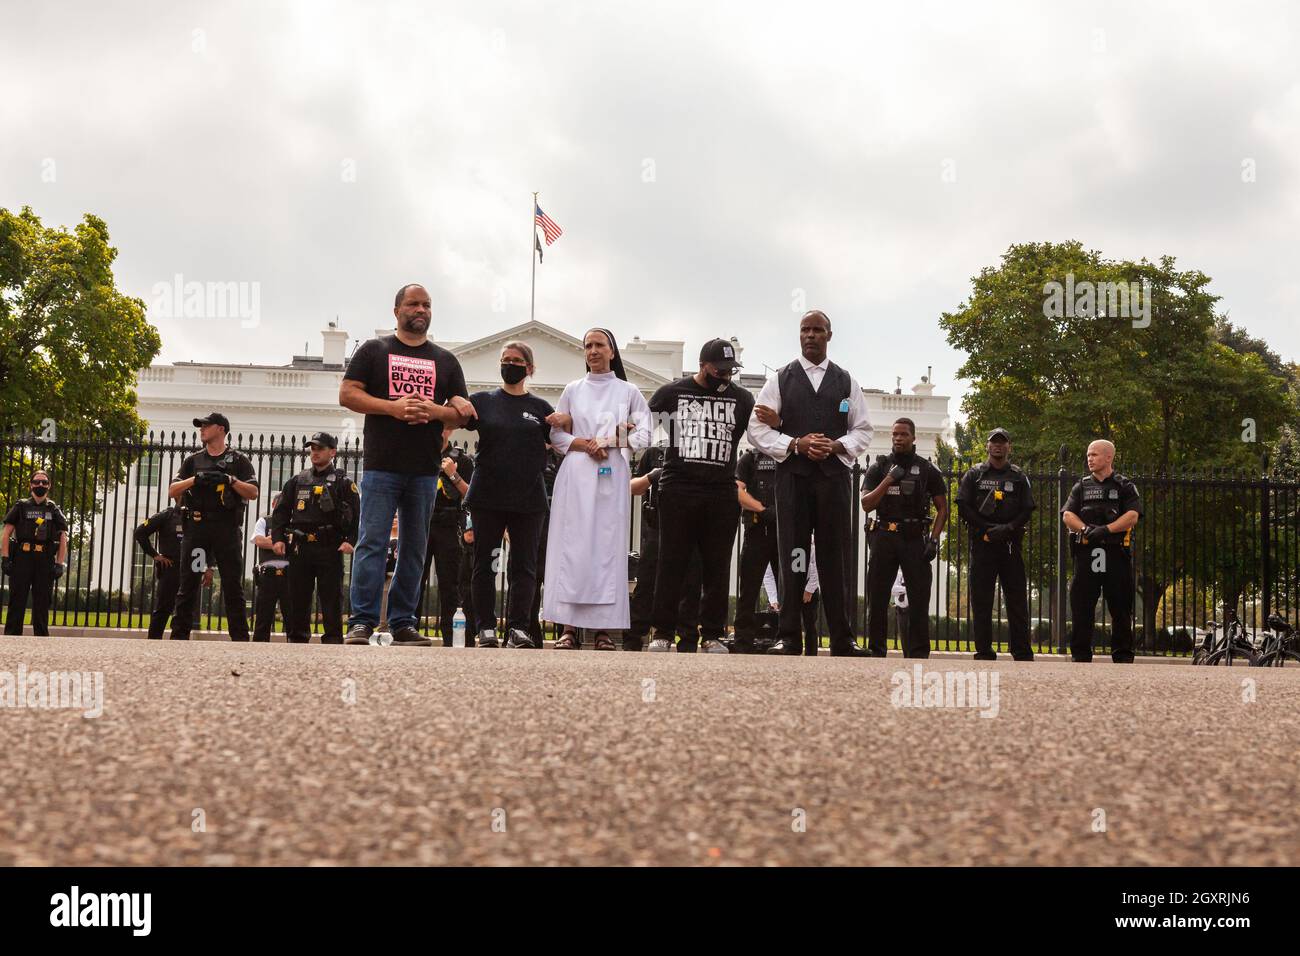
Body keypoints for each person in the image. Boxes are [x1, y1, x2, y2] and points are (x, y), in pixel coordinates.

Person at [339, 283, 474, 646]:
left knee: (415, 547)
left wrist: (435, 411)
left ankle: (402, 622)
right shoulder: (374, 350)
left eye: (427, 304)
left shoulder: (446, 361)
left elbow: (463, 413)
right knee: (372, 542)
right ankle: (362, 621)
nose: (421, 310)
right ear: (396, 310)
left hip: (424, 468)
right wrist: (393, 407)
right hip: (382, 464)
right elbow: (347, 393)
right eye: (414, 304)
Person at [747, 310, 874, 657]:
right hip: (794, 480)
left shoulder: (846, 381)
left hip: (833, 480)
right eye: (805, 330)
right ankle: (789, 636)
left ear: (829, 335)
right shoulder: (780, 380)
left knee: (836, 558)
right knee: (794, 555)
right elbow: (755, 429)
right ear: (799, 335)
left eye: (818, 330)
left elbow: (863, 430)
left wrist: (835, 446)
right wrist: (794, 443)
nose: (811, 335)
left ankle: (842, 638)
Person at [542, 328, 651, 649]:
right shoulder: (573, 390)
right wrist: (585, 444)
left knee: (606, 550)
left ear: (612, 351)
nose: (592, 350)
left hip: (611, 475)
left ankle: (603, 631)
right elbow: (556, 437)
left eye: (599, 345)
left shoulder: (629, 391)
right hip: (576, 475)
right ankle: (569, 628)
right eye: (587, 346)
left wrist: (611, 440)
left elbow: (646, 435)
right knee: (572, 549)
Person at [644, 338, 754, 654]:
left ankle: (712, 635)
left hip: (720, 491)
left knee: (717, 566)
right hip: (679, 487)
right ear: (702, 365)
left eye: (731, 370)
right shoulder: (673, 393)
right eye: (719, 370)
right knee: (671, 563)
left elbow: (760, 434)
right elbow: (643, 427)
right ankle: (663, 632)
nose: (726, 376)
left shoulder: (742, 399)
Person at [460, 342, 556, 649]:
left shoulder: (542, 409)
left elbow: (566, 440)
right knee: (486, 563)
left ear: (529, 368)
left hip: (528, 499)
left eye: (516, 361)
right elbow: (450, 419)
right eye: (505, 360)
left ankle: (518, 629)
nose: (510, 364)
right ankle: (485, 628)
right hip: (487, 495)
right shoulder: (483, 401)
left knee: (524, 566)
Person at [861, 419, 949, 658]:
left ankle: (919, 654)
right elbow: (866, 504)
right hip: (884, 537)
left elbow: (943, 508)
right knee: (877, 599)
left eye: (903, 434)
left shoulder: (927, 469)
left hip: (914, 540)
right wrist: (889, 479)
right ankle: (876, 650)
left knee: (919, 601)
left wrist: (933, 540)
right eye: (895, 434)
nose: (898, 438)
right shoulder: (879, 467)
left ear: (913, 438)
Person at [168, 413, 259, 640]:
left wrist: (230, 480)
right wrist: (196, 480)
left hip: (225, 531)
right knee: (189, 582)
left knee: (231, 585)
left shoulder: (238, 461)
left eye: (206, 426)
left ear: (221, 429)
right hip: (198, 531)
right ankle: (179, 637)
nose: (202, 430)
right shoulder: (193, 460)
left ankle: (239, 639)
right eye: (201, 426)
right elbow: (173, 490)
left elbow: (253, 492)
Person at [270, 432, 359, 644]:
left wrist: (351, 540)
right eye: (313, 448)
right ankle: (297, 639)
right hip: (301, 547)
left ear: (332, 452)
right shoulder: (297, 481)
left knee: (330, 597)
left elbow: (357, 515)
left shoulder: (343, 483)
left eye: (320, 448)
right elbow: (281, 512)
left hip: (330, 546)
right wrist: (278, 538)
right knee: (298, 597)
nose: (315, 452)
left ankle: (333, 639)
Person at [956, 428, 1036, 661]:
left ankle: (1021, 650)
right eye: (993, 442)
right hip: (983, 543)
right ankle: (984, 650)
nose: (997, 446)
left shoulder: (1019, 476)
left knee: (1017, 599)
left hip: (1010, 544)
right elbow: (963, 506)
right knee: (981, 600)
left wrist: (1008, 528)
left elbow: (1027, 508)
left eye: (1002, 442)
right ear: (987, 446)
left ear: (1009, 446)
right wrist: (986, 528)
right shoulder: (974, 475)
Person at [1061, 439, 1141, 663]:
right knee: (1082, 605)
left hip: (1116, 553)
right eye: (1088, 454)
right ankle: (1080, 655)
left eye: (1094, 454)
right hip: (1087, 553)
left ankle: (1123, 657)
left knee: (1120, 607)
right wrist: (1087, 530)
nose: (1090, 458)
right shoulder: (1081, 486)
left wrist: (1106, 530)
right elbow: (1067, 515)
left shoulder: (1124, 486)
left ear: (1108, 457)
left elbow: (1132, 516)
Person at [628, 448, 704, 652]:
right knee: (647, 582)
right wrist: (653, 476)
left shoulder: (698, 450)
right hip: (657, 527)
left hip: (691, 525)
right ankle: (635, 637)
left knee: (691, 583)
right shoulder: (653, 453)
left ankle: (687, 638)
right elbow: (632, 487)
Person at [419, 435, 474, 645]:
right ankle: (407, 629)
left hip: (450, 526)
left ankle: (452, 639)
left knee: (451, 586)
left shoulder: (462, 459)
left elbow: (471, 494)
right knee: (414, 580)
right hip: (422, 524)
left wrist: (453, 474)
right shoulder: (420, 455)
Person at [2, 470, 68, 636]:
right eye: (37, 482)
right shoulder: (21, 505)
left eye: (44, 482)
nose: (40, 485)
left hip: (44, 560)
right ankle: (12, 640)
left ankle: (41, 642)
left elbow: (63, 537)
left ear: (49, 486)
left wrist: (59, 564)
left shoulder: (53, 509)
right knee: (17, 602)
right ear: (30, 484)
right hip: (22, 558)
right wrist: (5, 558)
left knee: (42, 603)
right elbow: (6, 533)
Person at [733, 447, 780, 651]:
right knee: (748, 591)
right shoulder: (749, 458)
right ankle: (743, 641)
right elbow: (737, 489)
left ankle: (787, 639)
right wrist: (761, 509)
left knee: (788, 589)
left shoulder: (787, 455)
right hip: (756, 530)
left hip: (783, 533)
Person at [136, 501, 203, 639]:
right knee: (163, 609)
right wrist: (155, 555)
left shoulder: (199, 516)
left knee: (186, 611)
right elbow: (140, 532)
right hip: (170, 568)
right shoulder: (167, 515)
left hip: (191, 569)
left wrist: (206, 568)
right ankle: (153, 642)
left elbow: (205, 543)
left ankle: (179, 640)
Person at [527, 446, 564, 646]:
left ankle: (565, 634)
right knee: (529, 582)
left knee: (560, 582)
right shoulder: (529, 451)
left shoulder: (565, 457)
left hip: (558, 524)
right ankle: (529, 633)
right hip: (533, 522)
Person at [768, 540, 821, 656]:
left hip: (808, 587)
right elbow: (769, 574)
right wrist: (773, 599)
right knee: (789, 622)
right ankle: (790, 651)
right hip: (788, 588)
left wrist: (809, 589)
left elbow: (816, 564)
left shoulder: (809, 541)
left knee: (810, 625)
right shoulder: (776, 544)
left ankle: (811, 656)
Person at [250, 495, 291, 642]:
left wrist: (271, 541)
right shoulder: (264, 521)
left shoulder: (293, 523)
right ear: (273, 504)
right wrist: (283, 542)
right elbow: (259, 541)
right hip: (268, 577)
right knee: (262, 620)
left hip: (289, 577)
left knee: (292, 621)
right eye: (279, 503)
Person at [890, 569, 910, 649]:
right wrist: (907, 589)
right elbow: (893, 590)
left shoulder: (914, 572)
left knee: (912, 637)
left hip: (911, 610)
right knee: (903, 637)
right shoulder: (898, 574)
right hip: (900, 610)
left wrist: (900, 589)